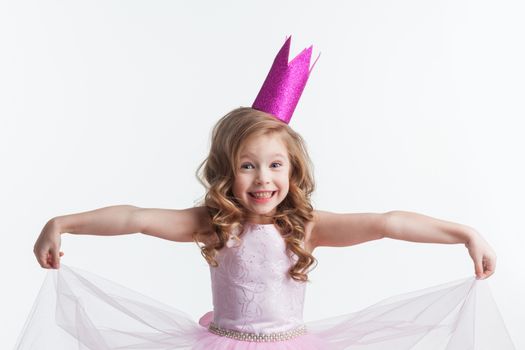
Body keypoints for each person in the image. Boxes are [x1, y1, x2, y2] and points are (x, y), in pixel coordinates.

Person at [20, 37, 513, 350]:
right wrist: (61, 223)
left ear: (293, 171)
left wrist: (463, 233)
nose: (262, 179)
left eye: (275, 165)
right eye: (247, 166)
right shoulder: (213, 225)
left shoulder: (308, 227)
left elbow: (388, 223)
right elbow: (135, 217)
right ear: (225, 172)